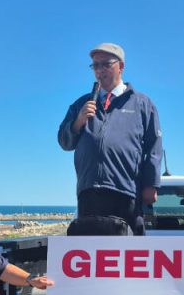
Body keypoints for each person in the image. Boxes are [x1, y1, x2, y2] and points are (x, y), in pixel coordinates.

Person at [57, 42, 163, 235]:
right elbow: (65, 142)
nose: (100, 70)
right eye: (95, 66)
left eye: (106, 64)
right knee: (92, 254)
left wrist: (151, 184)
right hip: (89, 192)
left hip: (126, 190)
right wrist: (78, 122)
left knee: (128, 254)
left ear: (121, 66)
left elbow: (154, 147)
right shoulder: (81, 103)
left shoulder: (142, 104)